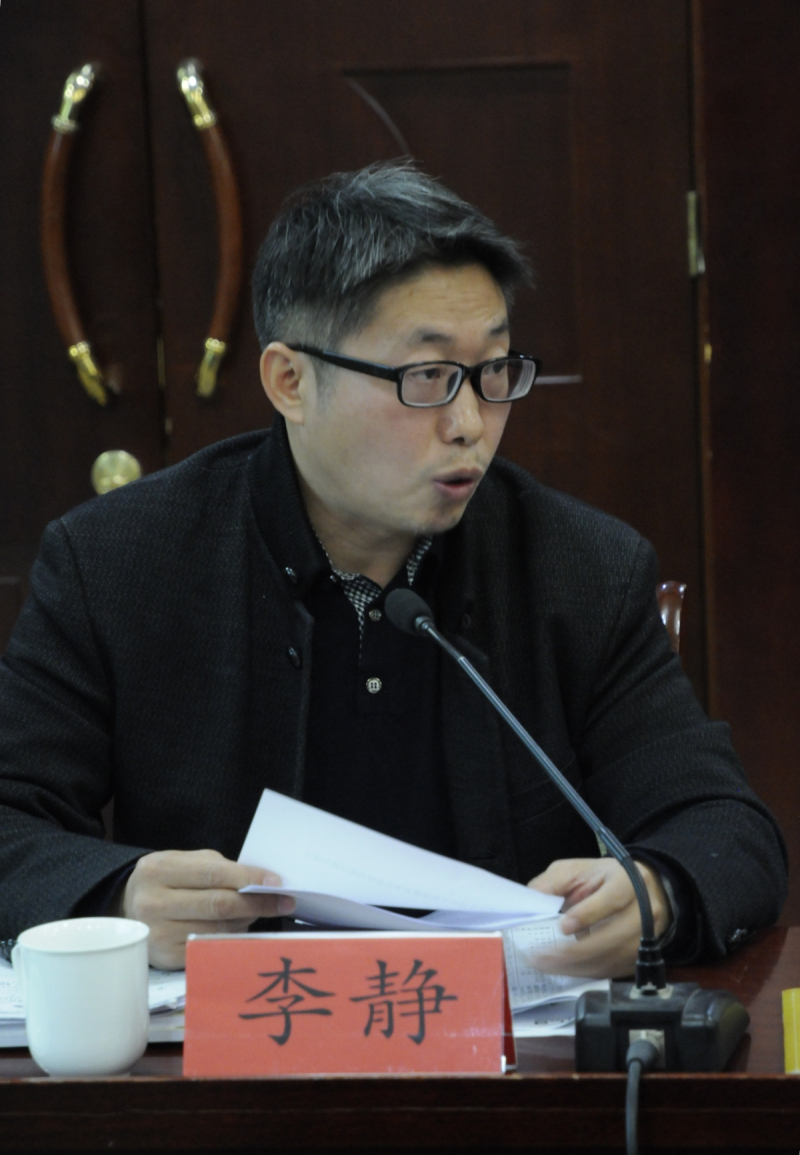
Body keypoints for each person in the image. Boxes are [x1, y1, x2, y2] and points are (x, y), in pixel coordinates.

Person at [0, 164, 786, 972]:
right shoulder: (118, 565)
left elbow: (727, 829)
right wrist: (120, 896)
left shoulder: (581, 570)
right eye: (428, 378)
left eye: (494, 372)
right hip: (231, 1037)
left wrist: (657, 891)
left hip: (502, 1036)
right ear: (290, 381)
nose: (470, 423)